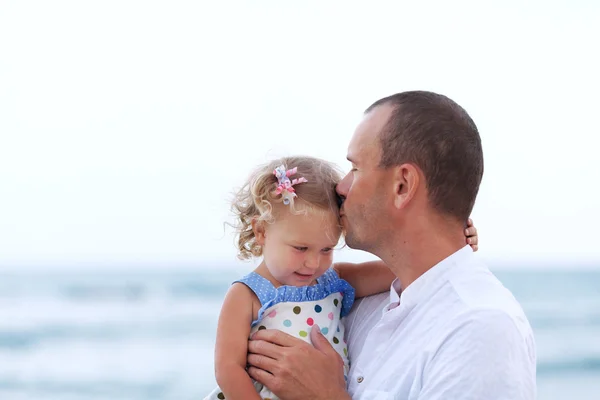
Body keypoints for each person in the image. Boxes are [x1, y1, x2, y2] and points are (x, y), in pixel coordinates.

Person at [246, 91, 536, 400]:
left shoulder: (481, 328)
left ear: (402, 186)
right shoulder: (355, 302)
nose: (341, 187)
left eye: (355, 168)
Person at [204, 156, 479, 400]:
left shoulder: (333, 281)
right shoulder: (247, 294)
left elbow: (402, 268)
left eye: (326, 249)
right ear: (262, 231)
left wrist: (448, 246)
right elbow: (227, 369)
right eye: (301, 248)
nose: (313, 263)